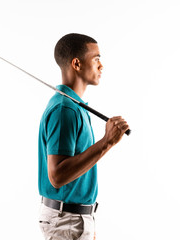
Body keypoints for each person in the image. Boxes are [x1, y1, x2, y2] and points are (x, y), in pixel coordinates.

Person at [38, 33, 129, 240]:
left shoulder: (74, 107)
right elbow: (57, 177)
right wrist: (107, 142)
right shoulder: (64, 110)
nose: (101, 66)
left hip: (73, 219)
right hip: (66, 220)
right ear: (77, 64)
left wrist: (86, 221)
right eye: (96, 59)